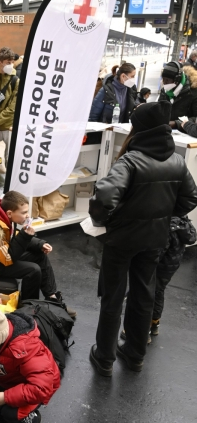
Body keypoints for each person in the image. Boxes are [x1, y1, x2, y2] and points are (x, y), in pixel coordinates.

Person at [88, 102, 197, 376]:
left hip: (122, 240)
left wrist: (105, 221)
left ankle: (105, 357)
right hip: (155, 239)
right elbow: (190, 198)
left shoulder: (130, 160)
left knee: (112, 297)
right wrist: (163, 217)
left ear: (140, 129)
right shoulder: (176, 161)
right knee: (143, 294)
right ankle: (135, 354)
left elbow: (103, 197)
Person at [0, 191, 76, 316]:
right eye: (23, 213)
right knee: (33, 270)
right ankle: (28, 310)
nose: (27, 216)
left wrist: (39, 244)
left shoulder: (2, 214)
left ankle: (52, 298)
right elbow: (7, 258)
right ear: (10, 213)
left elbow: (12, 235)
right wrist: (26, 236)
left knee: (40, 256)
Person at [158, 61, 197, 126]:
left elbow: (196, 118)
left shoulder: (193, 92)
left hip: (184, 133)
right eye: (163, 79)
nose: (164, 83)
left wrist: (176, 123)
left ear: (177, 80)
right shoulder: (165, 90)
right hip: (165, 129)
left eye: (167, 80)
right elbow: (159, 109)